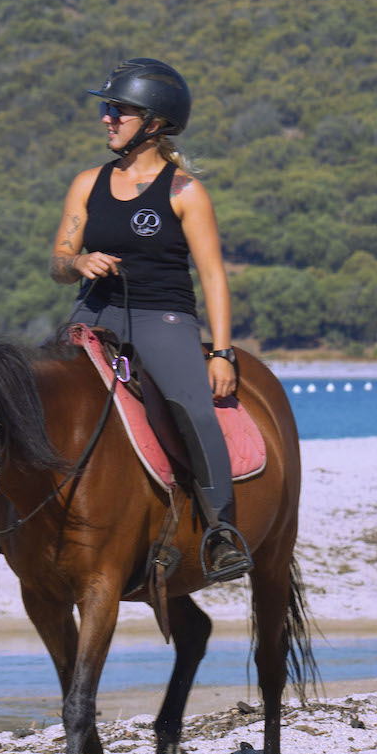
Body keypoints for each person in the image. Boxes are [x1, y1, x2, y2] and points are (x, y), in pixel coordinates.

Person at [49, 57, 251, 582]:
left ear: (154, 123)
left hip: (163, 317)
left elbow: (212, 278)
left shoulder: (184, 192)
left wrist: (223, 352)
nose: (106, 118)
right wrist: (77, 262)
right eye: (106, 108)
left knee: (194, 410)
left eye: (118, 109)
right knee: (28, 392)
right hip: (95, 312)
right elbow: (58, 262)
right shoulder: (86, 183)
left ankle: (222, 530)